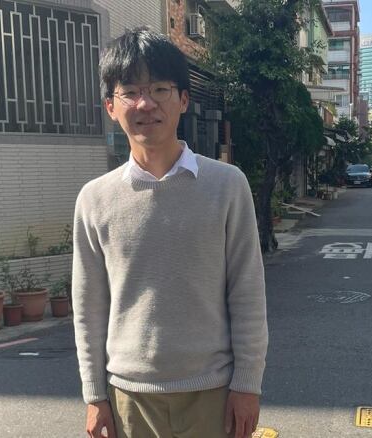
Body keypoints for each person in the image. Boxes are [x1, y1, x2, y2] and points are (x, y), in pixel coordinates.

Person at [72, 28, 268, 438]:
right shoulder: (95, 199)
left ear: (183, 99)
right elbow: (89, 306)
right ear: (111, 105)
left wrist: (247, 386)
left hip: (212, 392)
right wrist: (94, 395)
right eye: (130, 91)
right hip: (128, 397)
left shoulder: (226, 185)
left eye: (160, 88)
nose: (146, 104)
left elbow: (247, 291)